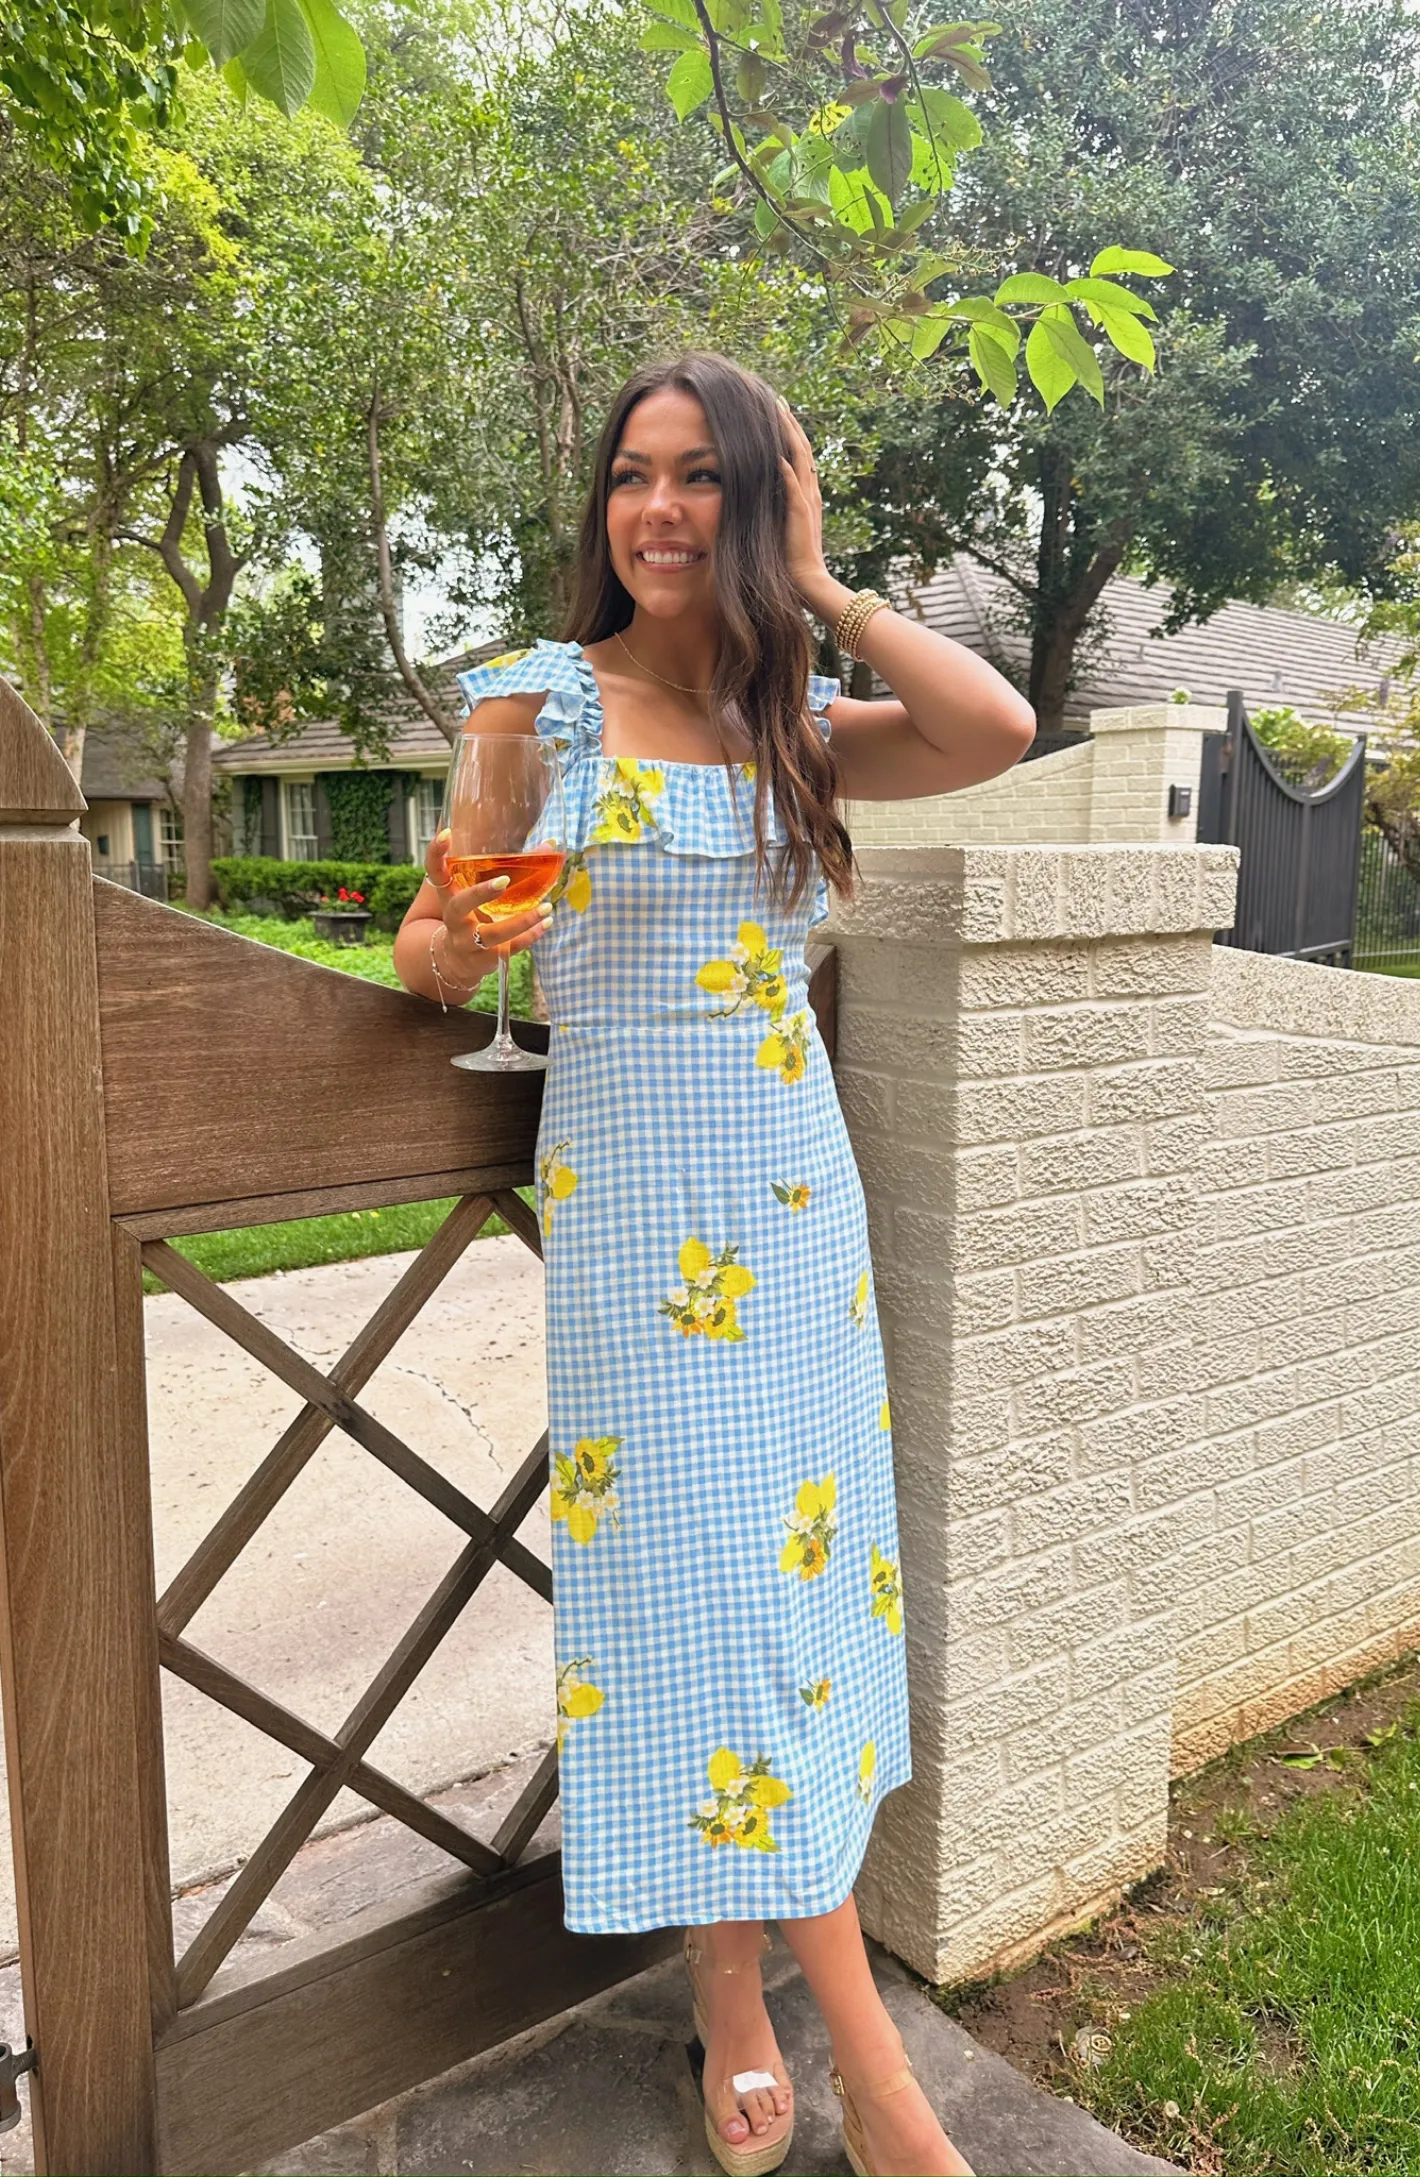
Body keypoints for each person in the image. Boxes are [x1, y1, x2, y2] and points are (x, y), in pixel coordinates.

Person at [395, 351, 1034, 2177]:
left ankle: (736, 2003)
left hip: (798, 1232)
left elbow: (991, 730)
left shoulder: (792, 718)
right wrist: (474, 896)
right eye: (631, 475)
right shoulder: (539, 695)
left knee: (789, 1622)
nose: (656, 508)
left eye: (701, 478)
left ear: (759, 505)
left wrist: (824, 586)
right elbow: (440, 959)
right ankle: (862, 2058)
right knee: (713, 1628)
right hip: (641, 1244)